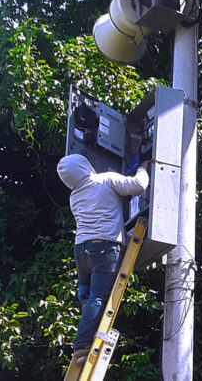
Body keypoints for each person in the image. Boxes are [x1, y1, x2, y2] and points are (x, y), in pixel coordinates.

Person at [56, 154, 150, 363]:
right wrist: (143, 168)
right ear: (84, 165)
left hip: (82, 250)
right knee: (98, 298)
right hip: (104, 247)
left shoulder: (74, 196)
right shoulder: (105, 179)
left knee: (87, 292)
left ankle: (87, 311)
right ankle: (81, 346)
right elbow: (137, 186)